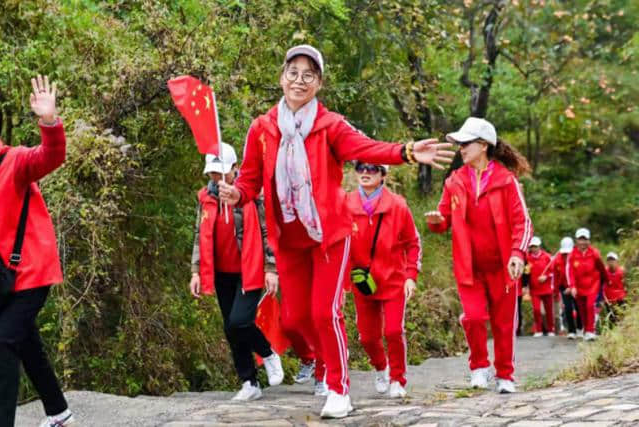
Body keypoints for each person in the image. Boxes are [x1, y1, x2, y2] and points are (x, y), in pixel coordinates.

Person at [218, 44, 454, 418]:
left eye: (308, 74)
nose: (299, 80)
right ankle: (323, 364)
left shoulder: (330, 126)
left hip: (329, 235)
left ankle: (339, 389)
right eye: (293, 72)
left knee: (325, 312)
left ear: (318, 83)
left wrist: (407, 152)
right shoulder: (262, 129)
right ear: (282, 78)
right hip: (290, 238)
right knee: (296, 319)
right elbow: (249, 179)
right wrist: (236, 193)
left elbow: (367, 147)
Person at [425, 117, 533, 394]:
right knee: (473, 318)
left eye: (466, 143)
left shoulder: (506, 181)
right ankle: (478, 366)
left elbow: (523, 222)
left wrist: (517, 254)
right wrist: (437, 220)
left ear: (483, 145)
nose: (461, 148)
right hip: (468, 266)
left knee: (504, 322)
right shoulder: (454, 181)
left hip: (503, 266)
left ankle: (505, 375)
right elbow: (443, 218)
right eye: (459, 144)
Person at [0, 76, 74, 426]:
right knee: (26, 342)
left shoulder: (14, 162)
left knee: (3, 343)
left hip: (30, 272)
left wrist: (49, 122)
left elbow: (50, 156)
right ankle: (60, 413)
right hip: (4, 280)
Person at [189, 143, 284, 401]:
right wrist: (196, 271)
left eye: (222, 173)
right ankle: (249, 382)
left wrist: (270, 269)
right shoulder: (205, 198)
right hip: (221, 272)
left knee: (239, 321)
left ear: (235, 169)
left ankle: (267, 353)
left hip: (249, 268)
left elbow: (268, 234)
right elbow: (199, 235)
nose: (217, 179)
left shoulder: (252, 195)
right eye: (213, 174)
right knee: (231, 329)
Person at [346, 162, 421, 398]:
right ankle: (381, 367)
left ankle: (397, 379)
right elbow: (339, 242)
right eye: (360, 168)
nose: (365, 173)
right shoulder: (346, 203)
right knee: (367, 337)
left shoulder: (398, 205)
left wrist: (411, 276)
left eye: (372, 169)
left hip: (393, 279)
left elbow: (412, 243)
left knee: (393, 331)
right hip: (363, 282)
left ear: (383, 174)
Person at [566, 228, 609, 341]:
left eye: (585, 239)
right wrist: (572, 286)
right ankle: (586, 329)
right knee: (582, 309)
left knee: (590, 306)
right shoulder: (572, 255)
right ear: (576, 241)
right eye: (580, 239)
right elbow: (570, 272)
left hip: (592, 284)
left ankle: (590, 331)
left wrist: (606, 280)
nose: (582, 242)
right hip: (579, 286)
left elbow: (602, 268)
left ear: (589, 241)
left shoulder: (594, 253)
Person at [552, 237, 582, 339]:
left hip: (576, 286)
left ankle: (580, 328)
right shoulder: (557, 260)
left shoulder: (577, 257)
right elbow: (556, 277)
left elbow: (580, 274)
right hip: (563, 287)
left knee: (578, 307)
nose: (566, 255)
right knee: (568, 308)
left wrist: (573, 287)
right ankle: (572, 331)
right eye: (564, 253)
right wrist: (555, 291)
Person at [525, 237, 555, 337]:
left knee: (549, 310)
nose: (534, 248)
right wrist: (526, 286)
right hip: (534, 289)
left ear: (539, 246)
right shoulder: (527, 259)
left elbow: (553, 271)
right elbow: (526, 273)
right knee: (536, 310)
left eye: (535, 246)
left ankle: (551, 329)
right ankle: (538, 330)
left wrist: (546, 276)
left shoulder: (547, 257)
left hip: (546, 288)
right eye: (532, 247)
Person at [604, 251, 626, 324]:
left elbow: (625, 284)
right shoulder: (604, 272)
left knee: (622, 317)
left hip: (620, 299)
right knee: (612, 320)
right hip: (609, 301)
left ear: (616, 261)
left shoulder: (621, 271)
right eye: (609, 260)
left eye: (613, 260)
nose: (611, 262)